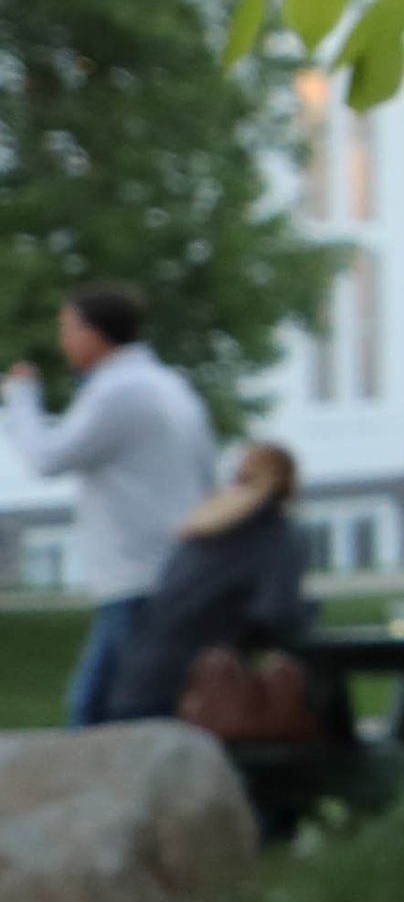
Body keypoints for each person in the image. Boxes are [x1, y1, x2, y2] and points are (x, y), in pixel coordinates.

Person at [11, 285, 216, 727]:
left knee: (113, 711)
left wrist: (22, 398)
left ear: (93, 334)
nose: (62, 341)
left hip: (138, 573)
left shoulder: (116, 393)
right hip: (171, 567)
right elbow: (206, 471)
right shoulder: (169, 385)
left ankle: (118, 795)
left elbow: (47, 457)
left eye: (67, 328)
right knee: (107, 707)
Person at [99, 442, 309, 726]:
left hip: (136, 682)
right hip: (194, 692)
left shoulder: (208, 525)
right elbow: (276, 614)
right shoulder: (277, 536)